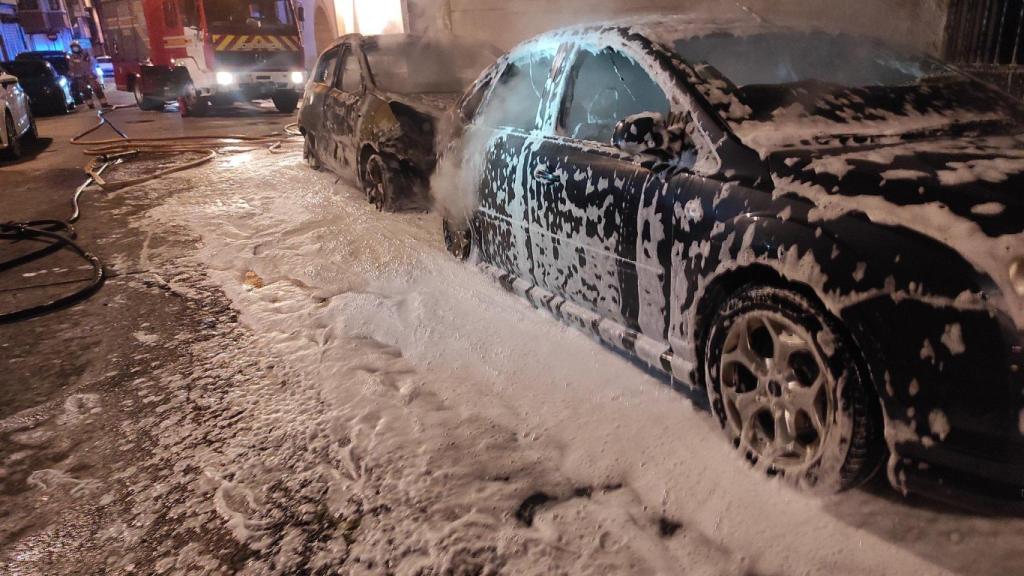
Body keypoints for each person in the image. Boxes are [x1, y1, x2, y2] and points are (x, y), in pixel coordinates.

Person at [68, 41, 109, 109]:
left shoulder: (85, 54)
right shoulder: (72, 57)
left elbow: (91, 63)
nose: (75, 49)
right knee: (85, 91)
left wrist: (93, 73)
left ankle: (104, 103)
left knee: (97, 89)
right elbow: (71, 67)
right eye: (73, 47)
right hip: (80, 77)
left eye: (76, 47)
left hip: (89, 75)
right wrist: (72, 75)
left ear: (79, 47)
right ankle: (90, 105)